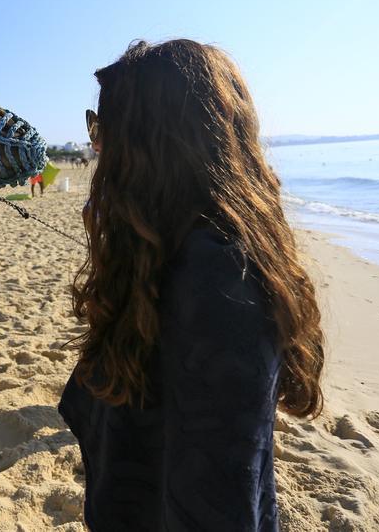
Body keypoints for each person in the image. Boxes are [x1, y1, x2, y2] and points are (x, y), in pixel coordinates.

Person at [59, 39, 324, 531]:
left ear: (153, 143)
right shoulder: (165, 251)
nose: (97, 146)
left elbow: (221, 504)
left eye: (103, 127)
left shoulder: (220, 280)